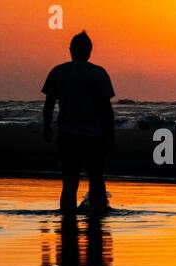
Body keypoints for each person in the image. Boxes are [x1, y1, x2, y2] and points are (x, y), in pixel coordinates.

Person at [42, 31, 115, 213]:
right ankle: (97, 222)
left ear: (71, 50)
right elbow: (107, 109)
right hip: (94, 137)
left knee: (69, 182)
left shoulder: (59, 72)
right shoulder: (98, 73)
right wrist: (110, 135)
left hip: (68, 136)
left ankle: (67, 223)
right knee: (96, 178)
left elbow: (49, 104)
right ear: (89, 51)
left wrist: (47, 127)